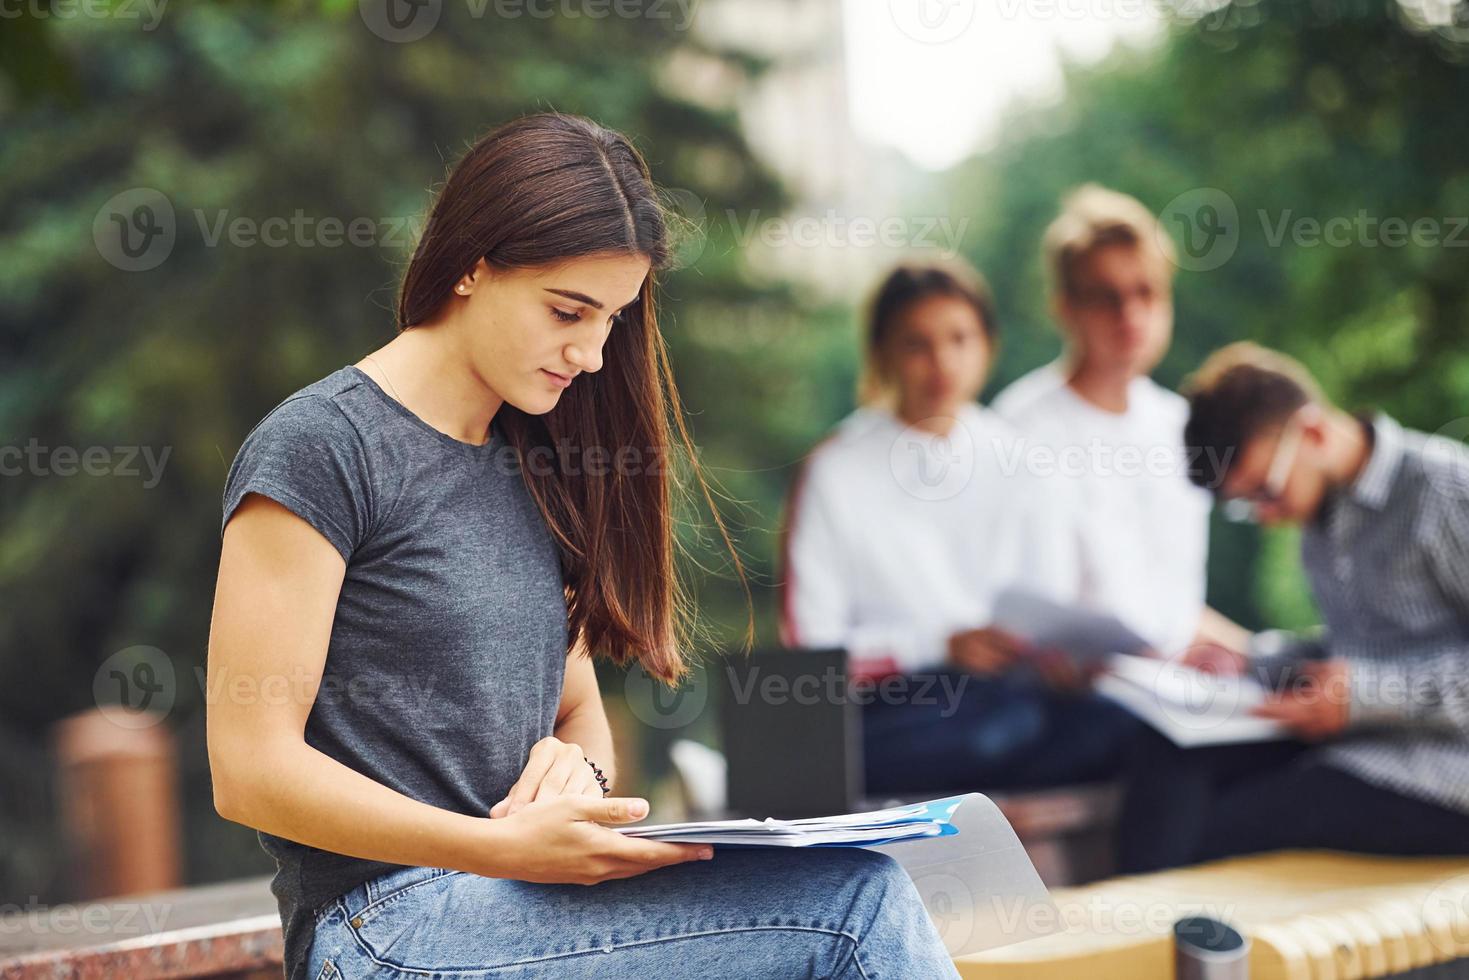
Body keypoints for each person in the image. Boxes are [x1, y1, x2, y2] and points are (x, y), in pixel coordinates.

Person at [207, 113, 959, 980]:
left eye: (612, 319)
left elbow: (577, 714)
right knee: (852, 909)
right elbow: (249, 768)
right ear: (472, 264)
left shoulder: (537, 456)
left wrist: (579, 779)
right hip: (384, 926)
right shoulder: (322, 447)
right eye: (569, 310)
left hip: (519, 906)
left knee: (854, 884)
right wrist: (504, 849)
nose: (593, 354)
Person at [779, 260, 1141, 797]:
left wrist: (1062, 659)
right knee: (996, 725)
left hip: (1014, 695)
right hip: (898, 708)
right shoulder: (837, 469)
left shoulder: (1021, 459)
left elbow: (1056, 603)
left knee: (1122, 727)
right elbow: (808, 657)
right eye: (916, 344)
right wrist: (938, 645)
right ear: (882, 354)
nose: (941, 362)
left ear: (987, 347)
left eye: (959, 339)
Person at [1116, 341, 1469, 872]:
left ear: (1314, 431)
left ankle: (1165, 939)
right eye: (1245, 505)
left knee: (1241, 825)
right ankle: (1124, 938)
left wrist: (1365, 697)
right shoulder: (1320, 516)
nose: (1264, 515)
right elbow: (1358, 648)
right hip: (1367, 737)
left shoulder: (1443, 491)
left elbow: (1368, 677)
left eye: (1265, 490)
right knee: (1167, 754)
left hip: (1441, 766)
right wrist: (1251, 662)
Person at [991, 185, 1248, 659]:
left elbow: (1173, 612)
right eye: (1105, 297)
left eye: (1145, 292)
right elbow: (1014, 611)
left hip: (1175, 688)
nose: (1130, 314)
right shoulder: (1018, 428)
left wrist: (1260, 659)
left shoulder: (1179, 424)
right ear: (1065, 307)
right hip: (1072, 701)